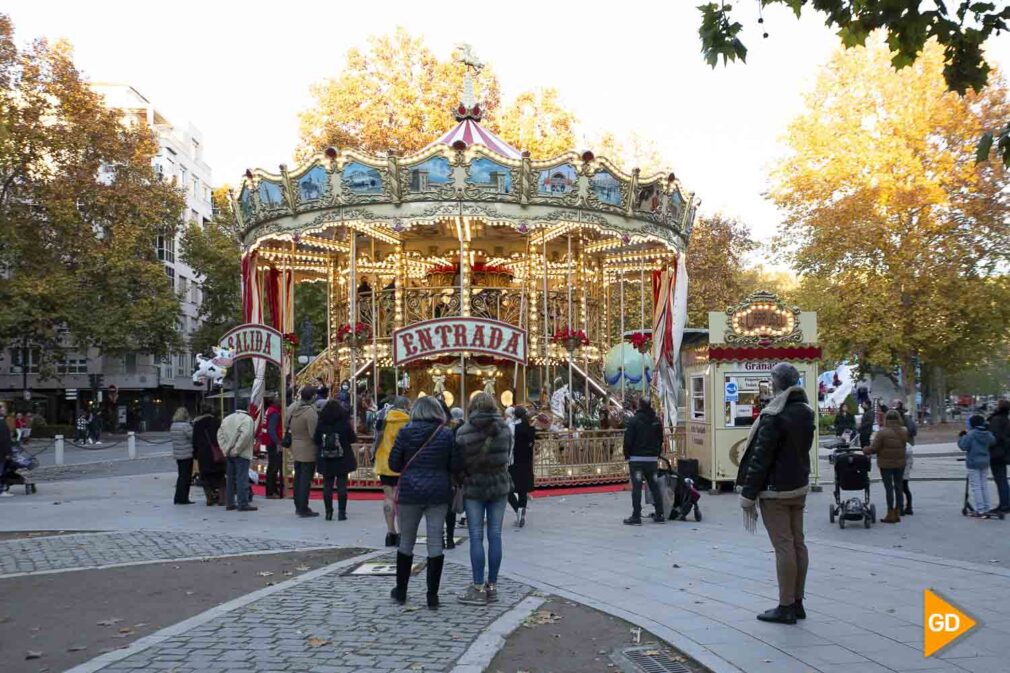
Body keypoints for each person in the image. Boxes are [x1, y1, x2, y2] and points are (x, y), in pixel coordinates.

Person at [737, 363, 814, 625]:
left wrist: (748, 493)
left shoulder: (773, 415)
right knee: (797, 543)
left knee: (783, 546)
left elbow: (761, 458)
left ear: (777, 383)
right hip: (798, 487)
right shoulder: (806, 411)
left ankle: (786, 605)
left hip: (775, 491)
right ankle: (798, 601)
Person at [387, 396, 459, 609]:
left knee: (407, 540)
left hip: (410, 492)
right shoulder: (445, 434)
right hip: (438, 491)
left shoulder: (405, 432)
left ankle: (401, 590)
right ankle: (432, 595)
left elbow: (393, 464)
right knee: (435, 539)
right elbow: (454, 463)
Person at [455, 392, 512, 606]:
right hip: (498, 484)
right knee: (495, 534)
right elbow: (507, 455)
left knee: (476, 535)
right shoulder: (505, 429)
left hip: (475, 486)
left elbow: (459, 462)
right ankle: (493, 586)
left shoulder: (463, 431)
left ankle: (478, 585)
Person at [373, 396, 411, 546]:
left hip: (385, 461)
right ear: (406, 405)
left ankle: (390, 532)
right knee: (401, 499)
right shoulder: (408, 420)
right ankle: (402, 533)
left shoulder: (383, 418)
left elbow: (376, 438)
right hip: (403, 463)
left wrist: (373, 454)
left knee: (388, 497)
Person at [622, 399, 666, 525]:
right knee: (654, 485)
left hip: (637, 460)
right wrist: (656, 453)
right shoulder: (656, 421)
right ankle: (660, 513)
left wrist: (627, 455)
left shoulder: (634, 421)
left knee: (636, 487)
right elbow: (660, 439)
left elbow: (628, 440)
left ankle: (636, 516)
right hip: (651, 460)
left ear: (640, 405)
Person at [314, 399, 357, 521]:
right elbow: (352, 438)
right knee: (342, 484)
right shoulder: (343, 423)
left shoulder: (321, 423)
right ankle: (342, 512)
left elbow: (316, 439)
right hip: (342, 457)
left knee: (327, 485)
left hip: (326, 457)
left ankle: (328, 512)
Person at [863, 410, 908, 523]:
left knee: (889, 488)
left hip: (886, 464)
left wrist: (865, 450)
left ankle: (890, 512)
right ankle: (899, 509)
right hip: (900, 462)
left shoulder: (882, 433)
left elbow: (874, 449)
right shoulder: (903, 431)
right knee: (899, 486)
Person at [217, 407, 257, 512]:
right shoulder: (247, 419)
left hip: (229, 453)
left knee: (230, 479)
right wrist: (237, 449)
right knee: (241, 478)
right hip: (242, 453)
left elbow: (219, 435)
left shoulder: (226, 419)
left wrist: (225, 449)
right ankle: (243, 503)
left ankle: (229, 502)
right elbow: (246, 436)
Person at [288, 386, 320, 518]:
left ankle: (298, 505)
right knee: (305, 479)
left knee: (298, 478)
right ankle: (303, 507)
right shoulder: (310, 413)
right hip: (308, 447)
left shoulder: (293, 408)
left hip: (295, 444)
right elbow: (313, 433)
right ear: (312, 396)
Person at [959, 415, 997, 517]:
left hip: (973, 462)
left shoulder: (971, 434)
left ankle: (980, 510)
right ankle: (987, 507)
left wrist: (962, 437)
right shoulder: (987, 433)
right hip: (985, 461)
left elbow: (963, 446)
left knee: (976, 486)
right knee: (984, 485)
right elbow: (993, 441)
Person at [192, 402, 225, 506]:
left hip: (203, 453)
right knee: (220, 475)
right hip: (215, 452)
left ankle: (209, 497)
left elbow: (194, 440)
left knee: (205, 476)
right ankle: (221, 498)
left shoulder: (197, 423)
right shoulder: (215, 422)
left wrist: (195, 453)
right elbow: (219, 437)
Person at [508, 407, 536, 528]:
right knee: (522, 490)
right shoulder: (529, 428)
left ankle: (516, 508)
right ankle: (522, 511)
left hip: (513, 461)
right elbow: (531, 444)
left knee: (508, 489)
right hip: (526, 461)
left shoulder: (511, 427)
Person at [444, 407, 465, 549]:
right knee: (449, 509)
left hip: (430, 475)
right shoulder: (449, 434)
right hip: (449, 476)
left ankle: (438, 538)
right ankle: (449, 538)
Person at [987, 400, 1010, 512]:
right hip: (1004, 452)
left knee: (1000, 479)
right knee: (1003, 479)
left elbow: (992, 438)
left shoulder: (996, 420)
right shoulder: (1006, 419)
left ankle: (1004, 504)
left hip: (997, 453)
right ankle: (1006, 502)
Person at [259, 396, 284, 499]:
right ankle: (271, 491)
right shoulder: (274, 413)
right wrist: (278, 442)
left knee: (272, 466)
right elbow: (271, 429)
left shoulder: (269, 410)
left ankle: (272, 489)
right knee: (274, 467)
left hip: (269, 441)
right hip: (273, 442)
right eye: (279, 401)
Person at [170, 407, 195, 505]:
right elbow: (192, 437)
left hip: (178, 454)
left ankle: (178, 497)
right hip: (187, 454)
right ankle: (184, 498)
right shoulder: (185, 426)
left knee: (181, 476)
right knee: (186, 477)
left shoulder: (173, 426)